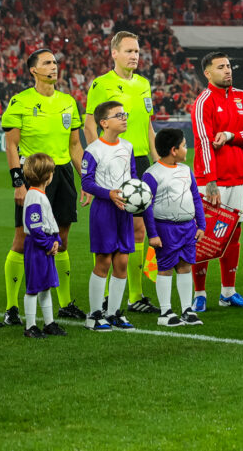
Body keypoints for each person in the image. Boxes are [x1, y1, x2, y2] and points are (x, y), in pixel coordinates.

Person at [2, 49, 88, 326]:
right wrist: (18, 183)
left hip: (61, 175)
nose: (54, 67)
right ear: (33, 70)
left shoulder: (68, 102)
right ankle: (12, 307)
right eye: (47, 63)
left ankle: (65, 304)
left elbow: (75, 145)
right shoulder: (21, 101)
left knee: (60, 241)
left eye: (55, 62)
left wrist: (86, 179)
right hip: (34, 175)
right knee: (23, 240)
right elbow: (11, 144)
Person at [84, 31, 159, 315]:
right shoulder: (100, 84)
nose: (134, 56)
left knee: (139, 229)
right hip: (111, 161)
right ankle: (102, 294)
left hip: (138, 160)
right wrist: (97, 160)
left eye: (137, 51)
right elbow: (89, 125)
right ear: (114, 53)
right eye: (128, 51)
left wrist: (156, 162)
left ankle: (135, 295)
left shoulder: (143, 84)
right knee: (107, 229)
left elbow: (149, 126)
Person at [189, 51, 243, 311]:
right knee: (204, 236)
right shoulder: (203, 102)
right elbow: (203, 143)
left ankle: (228, 292)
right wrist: (210, 181)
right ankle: (199, 294)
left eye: (229, 66)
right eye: (221, 67)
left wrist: (231, 134)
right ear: (208, 73)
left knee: (234, 235)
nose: (228, 70)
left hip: (238, 179)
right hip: (211, 182)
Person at [80, 101, 138, 331]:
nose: (124, 118)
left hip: (124, 209)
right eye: (118, 115)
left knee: (122, 261)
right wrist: (108, 194)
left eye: (125, 113)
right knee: (103, 260)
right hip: (104, 209)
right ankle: (94, 315)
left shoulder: (128, 146)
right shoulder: (93, 150)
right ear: (104, 123)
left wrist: (135, 195)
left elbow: (133, 175)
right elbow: (86, 182)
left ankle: (113, 313)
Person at [142, 128, 206, 327]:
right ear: (174, 150)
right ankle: (165, 312)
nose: (187, 149)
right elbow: (146, 206)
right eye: (184, 145)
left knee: (186, 266)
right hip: (165, 228)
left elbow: (195, 197)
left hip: (188, 228)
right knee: (166, 268)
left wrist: (201, 224)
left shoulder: (186, 171)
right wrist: (152, 234)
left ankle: (187, 309)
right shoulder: (152, 174)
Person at [20, 153, 66, 338]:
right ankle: (30, 326)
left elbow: (48, 222)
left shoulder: (40, 195)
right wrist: (49, 243)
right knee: (33, 287)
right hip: (37, 246)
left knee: (45, 286)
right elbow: (35, 226)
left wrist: (57, 240)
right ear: (48, 176)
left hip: (45, 244)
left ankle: (49, 323)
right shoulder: (33, 196)